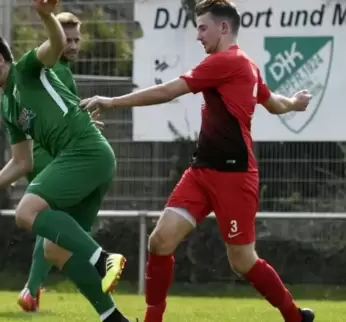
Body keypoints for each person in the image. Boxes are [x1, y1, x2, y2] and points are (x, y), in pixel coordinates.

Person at [80, 1, 315, 321]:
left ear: (224, 28)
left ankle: (294, 315)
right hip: (201, 172)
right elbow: (274, 103)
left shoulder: (227, 62)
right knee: (160, 241)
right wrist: (295, 104)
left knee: (242, 261)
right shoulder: (245, 65)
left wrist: (111, 101)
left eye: (203, 28)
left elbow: (169, 91)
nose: (198, 35)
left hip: (235, 177)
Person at [0, 1, 130, 321]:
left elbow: (57, 44)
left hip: (85, 151)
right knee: (54, 250)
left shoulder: (26, 68)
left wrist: (45, 15)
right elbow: (21, 162)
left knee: (27, 212)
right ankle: (112, 318)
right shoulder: (7, 106)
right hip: (88, 159)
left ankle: (104, 259)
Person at [16, 11, 105, 313]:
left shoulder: (57, 70)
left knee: (48, 227)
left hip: (49, 154)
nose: (75, 45)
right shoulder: (55, 69)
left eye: (78, 39)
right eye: (68, 39)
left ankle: (33, 289)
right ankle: (35, 287)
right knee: (55, 227)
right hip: (55, 157)